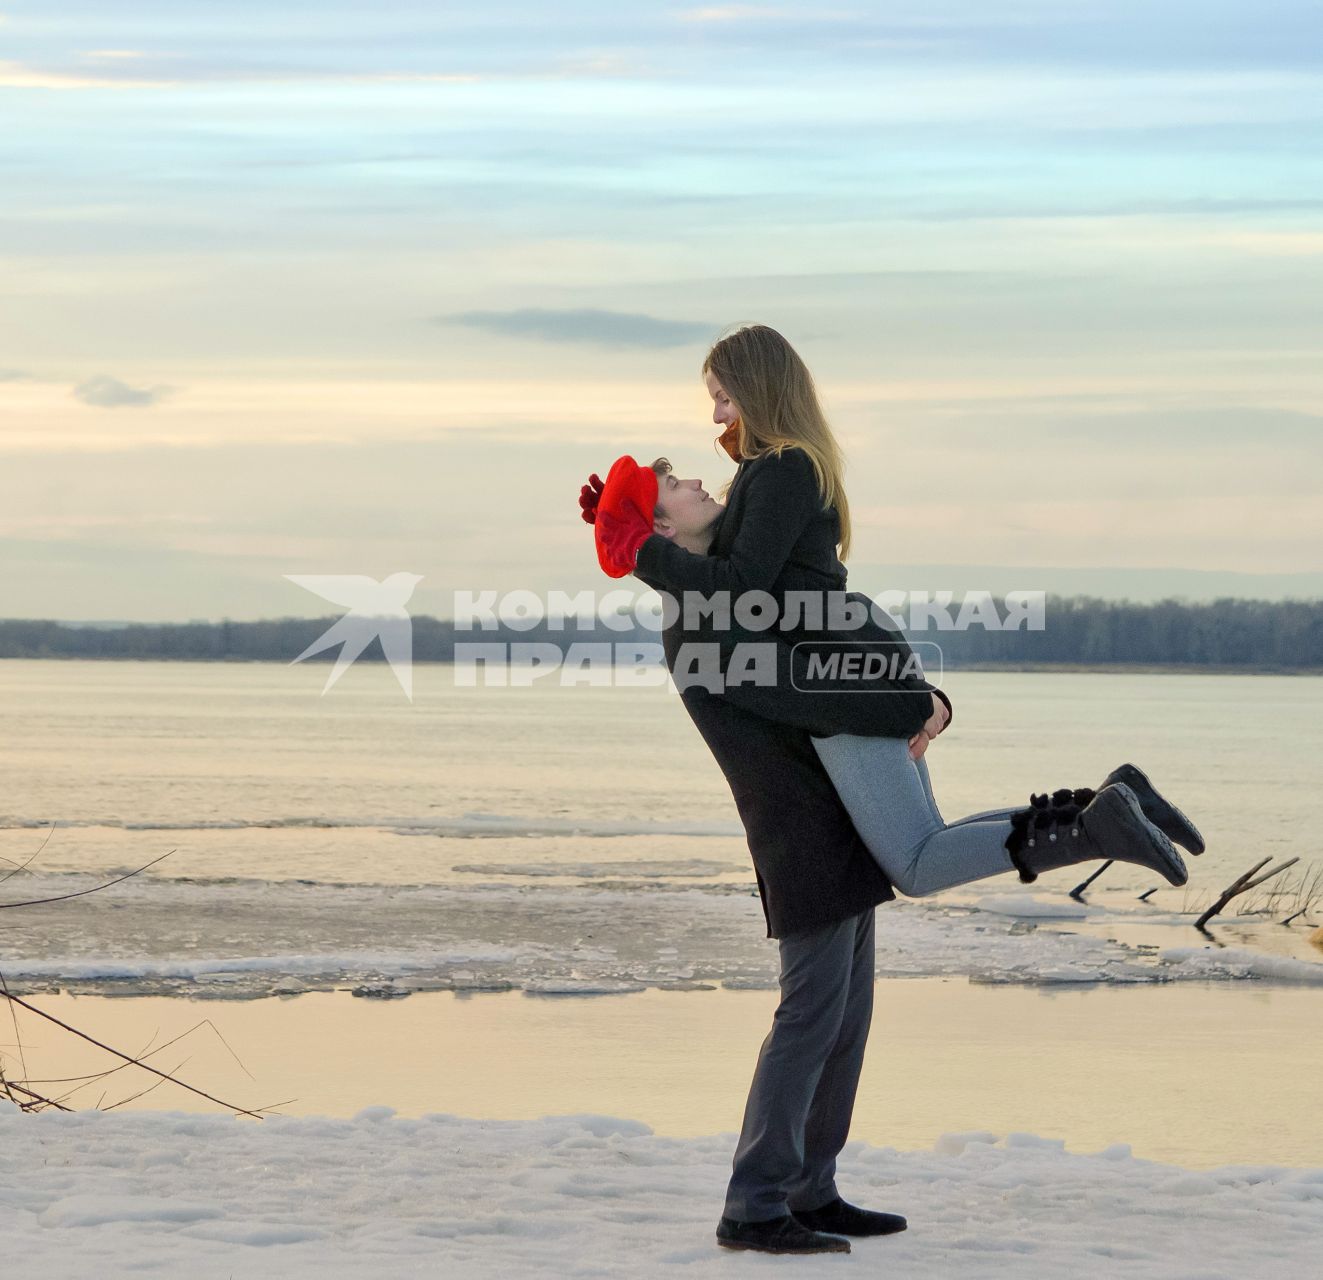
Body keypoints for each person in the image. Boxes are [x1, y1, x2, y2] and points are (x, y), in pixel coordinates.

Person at [576, 324, 1202, 1256]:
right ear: (664, 531)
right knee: (809, 1015)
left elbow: (806, 610)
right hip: (798, 830)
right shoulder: (705, 624)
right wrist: (905, 701)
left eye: (720, 398)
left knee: (844, 1018)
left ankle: (810, 1187)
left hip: (828, 810)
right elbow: (791, 683)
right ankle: (754, 1204)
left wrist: (913, 695)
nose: (705, 463)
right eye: (677, 490)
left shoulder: (753, 551)